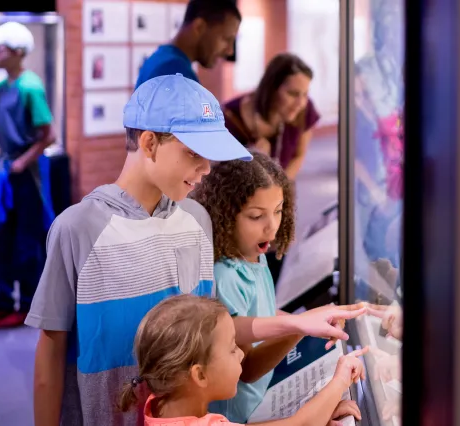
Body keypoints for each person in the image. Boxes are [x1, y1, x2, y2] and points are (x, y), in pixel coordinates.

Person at [25, 74, 367, 426]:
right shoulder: (77, 228)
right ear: (149, 142)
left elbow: (216, 330)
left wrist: (295, 322)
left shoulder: (197, 220)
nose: (205, 169)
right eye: (194, 154)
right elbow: (49, 357)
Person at [119, 294, 367, 426]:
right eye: (231, 349)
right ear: (200, 375)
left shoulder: (161, 403)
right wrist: (341, 379)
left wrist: (321, 413)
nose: (241, 353)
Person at [190, 151, 304, 421]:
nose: (272, 227)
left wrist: (314, 323)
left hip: (260, 399)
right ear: (225, 216)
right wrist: (298, 328)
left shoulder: (255, 256)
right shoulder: (225, 276)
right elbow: (248, 368)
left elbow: (261, 315)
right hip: (240, 414)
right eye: (256, 216)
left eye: (278, 211)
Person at [0, 21, 56, 328]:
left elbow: (48, 134)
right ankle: (2, 301)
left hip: (27, 174)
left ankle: (27, 305)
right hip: (6, 173)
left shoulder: (30, 86)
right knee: (0, 239)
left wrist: (23, 160)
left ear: (16, 52)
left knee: (28, 240)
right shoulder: (1, 88)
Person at [223, 53, 320, 182]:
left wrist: (280, 187)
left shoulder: (306, 109)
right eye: (292, 93)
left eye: (305, 94)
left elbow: (299, 155)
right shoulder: (228, 118)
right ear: (271, 88)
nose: (301, 103)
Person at [135, 0, 240, 88]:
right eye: (226, 39)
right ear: (199, 27)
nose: (230, 51)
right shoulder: (174, 71)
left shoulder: (160, 59)